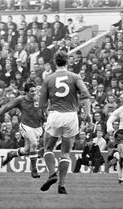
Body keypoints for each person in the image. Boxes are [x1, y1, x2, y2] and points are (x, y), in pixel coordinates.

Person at [39, 51, 91, 194]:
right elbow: (85, 94)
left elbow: (42, 103)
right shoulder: (75, 77)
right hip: (71, 116)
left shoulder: (48, 79)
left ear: (55, 63)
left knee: (48, 149)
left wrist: (48, 114)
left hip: (55, 114)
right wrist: (88, 114)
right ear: (67, 62)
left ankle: (51, 174)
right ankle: (61, 185)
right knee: (66, 153)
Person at [0, 82, 45, 178]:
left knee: (27, 150)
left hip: (38, 127)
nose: (34, 93)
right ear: (26, 92)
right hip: (26, 126)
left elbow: (42, 110)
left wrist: (45, 117)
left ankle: (12, 154)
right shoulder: (20, 100)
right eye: (32, 91)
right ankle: (34, 170)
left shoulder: (39, 98)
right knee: (34, 144)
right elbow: (6, 107)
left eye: (35, 91)